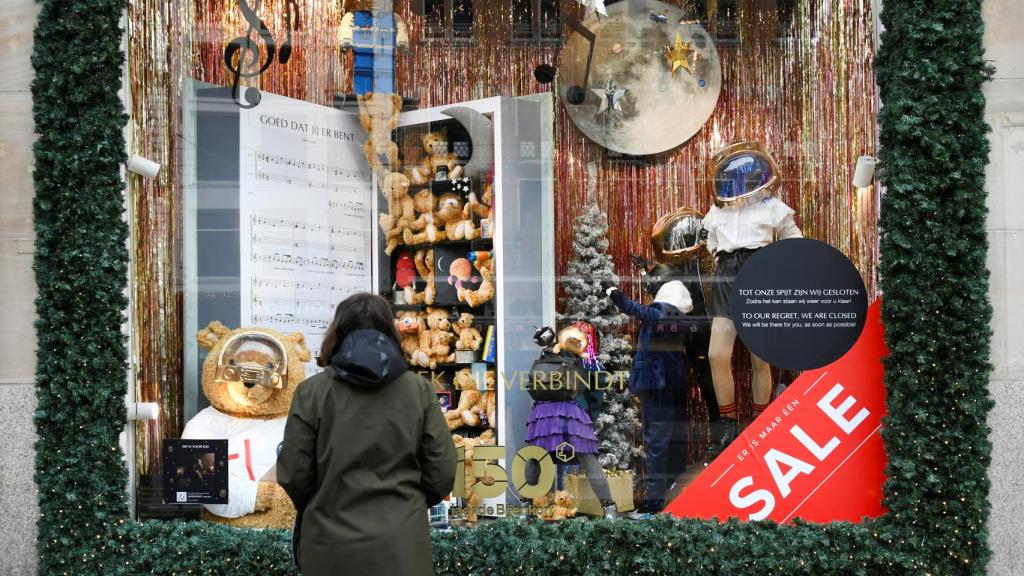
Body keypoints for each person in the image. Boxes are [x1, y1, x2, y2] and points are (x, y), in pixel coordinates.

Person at [278, 293, 457, 576]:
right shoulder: (418, 390)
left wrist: (324, 502)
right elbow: (442, 471)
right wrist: (406, 504)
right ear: (390, 331)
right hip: (401, 545)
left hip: (330, 545)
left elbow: (294, 473)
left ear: (336, 333)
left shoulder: (312, 392)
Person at [701, 142, 802, 458]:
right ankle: (727, 426)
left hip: (759, 272)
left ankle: (761, 424)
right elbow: (712, 245)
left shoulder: (771, 207)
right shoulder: (717, 211)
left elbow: (794, 240)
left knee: (761, 357)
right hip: (727, 274)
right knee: (717, 354)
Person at [606, 265, 693, 517]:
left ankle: (653, 504)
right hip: (670, 387)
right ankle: (672, 496)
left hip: (657, 387)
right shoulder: (678, 318)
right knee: (671, 442)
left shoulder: (663, 313)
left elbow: (638, 310)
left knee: (656, 442)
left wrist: (616, 295)